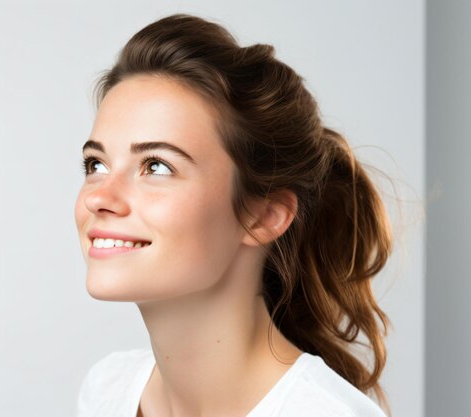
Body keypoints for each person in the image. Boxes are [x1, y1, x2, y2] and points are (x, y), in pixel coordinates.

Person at [74, 13, 393, 417]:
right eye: (95, 164)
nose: (99, 198)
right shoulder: (106, 391)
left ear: (264, 216)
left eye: (156, 166)